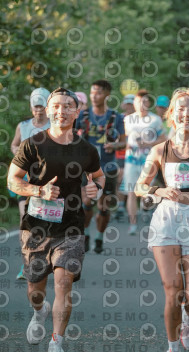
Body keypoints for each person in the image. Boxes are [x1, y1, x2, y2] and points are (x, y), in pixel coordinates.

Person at [7, 87, 105, 352]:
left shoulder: (86, 149)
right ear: (49, 110)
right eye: (56, 106)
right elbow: (13, 180)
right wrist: (39, 190)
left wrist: (95, 188)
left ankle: (56, 344)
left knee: (64, 282)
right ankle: (39, 311)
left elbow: (98, 177)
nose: (61, 111)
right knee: (35, 291)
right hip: (36, 228)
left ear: (77, 111)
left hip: (71, 227)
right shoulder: (33, 144)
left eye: (67, 106)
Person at [135, 87, 189, 352]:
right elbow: (139, 186)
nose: (186, 114)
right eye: (180, 109)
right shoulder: (160, 150)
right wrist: (158, 191)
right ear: (171, 114)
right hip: (167, 219)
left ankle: (188, 318)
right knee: (173, 289)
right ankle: (172, 351)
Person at [75, 80, 126, 254]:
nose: (94, 96)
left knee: (104, 207)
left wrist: (115, 145)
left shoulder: (116, 117)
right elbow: (69, 136)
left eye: (98, 92)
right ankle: (86, 235)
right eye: (92, 92)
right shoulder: (82, 115)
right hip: (87, 168)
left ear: (107, 95)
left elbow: (124, 142)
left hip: (108, 168)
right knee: (86, 203)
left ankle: (99, 237)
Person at [10, 88, 51, 280]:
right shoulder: (23, 126)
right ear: (31, 107)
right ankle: (26, 263)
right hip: (25, 181)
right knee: (25, 218)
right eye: (36, 106)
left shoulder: (54, 126)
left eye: (42, 106)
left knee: (47, 221)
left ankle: (46, 258)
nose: (39, 110)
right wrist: (19, 152)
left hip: (49, 182)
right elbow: (14, 144)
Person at [120, 89, 165, 235]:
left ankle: (146, 211)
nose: (141, 104)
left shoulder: (155, 120)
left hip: (149, 160)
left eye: (144, 101)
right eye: (138, 101)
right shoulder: (128, 119)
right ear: (134, 103)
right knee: (131, 192)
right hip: (131, 160)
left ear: (149, 103)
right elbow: (123, 139)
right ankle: (132, 224)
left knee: (148, 191)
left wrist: (148, 143)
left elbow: (163, 139)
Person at [114, 94, 136, 221]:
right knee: (120, 177)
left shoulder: (140, 119)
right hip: (121, 153)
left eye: (131, 104)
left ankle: (138, 208)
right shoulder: (119, 118)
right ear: (123, 105)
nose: (129, 107)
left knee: (135, 180)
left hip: (137, 155)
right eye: (127, 104)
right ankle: (121, 206)